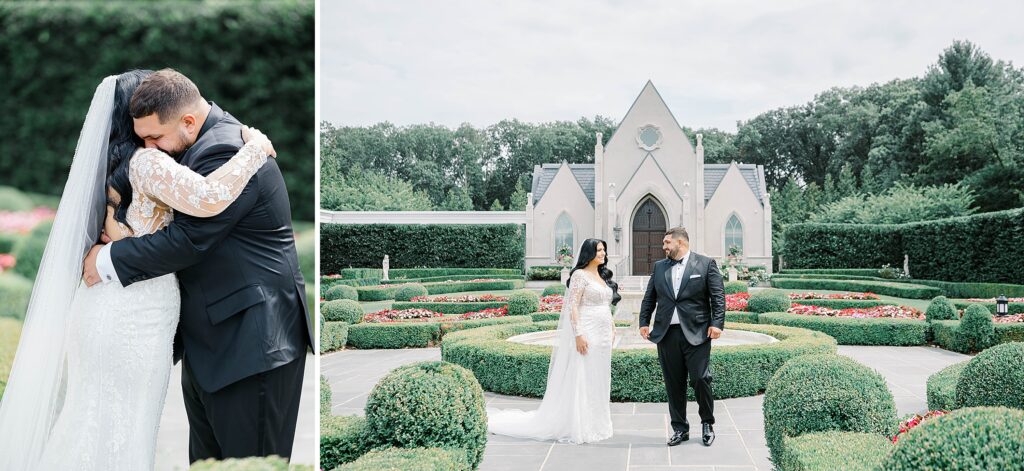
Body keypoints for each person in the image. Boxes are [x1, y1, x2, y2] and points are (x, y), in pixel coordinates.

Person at [0, 70, 286, 469]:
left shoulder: (109, 165)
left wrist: (107, 254)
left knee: (92, 420)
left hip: (103, 306)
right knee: (122, 428)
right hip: (133, 313)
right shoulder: (147, 161)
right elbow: (207, 198)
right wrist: (255, 148)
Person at [488, 238, 621, 444]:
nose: (603, 253)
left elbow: (605, 306)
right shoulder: (579, 275)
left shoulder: (602, 276)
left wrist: (612, 328)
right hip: (587, 331)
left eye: (603, 250)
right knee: (583, 375)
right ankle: (580, 425)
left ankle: (598, 422)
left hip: (603, 334)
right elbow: (572, 306)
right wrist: (578, 335)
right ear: (588, 253)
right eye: (598, 250)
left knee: (600, 377)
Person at [638, 226, 726, 447]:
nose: (663, 246)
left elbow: (718, 296)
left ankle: (707, 423)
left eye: (667, 242)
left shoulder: (705, 264)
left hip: (697, 332)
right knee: (673, 384)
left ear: (681, 243)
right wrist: (643, 322)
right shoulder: (659, 267)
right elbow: (649, 298)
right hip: (666, 334)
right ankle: (680, 429)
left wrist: (717, 324)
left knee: (701, 379)